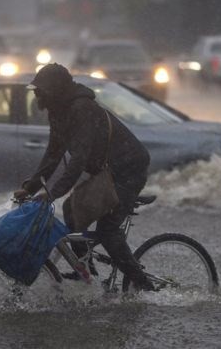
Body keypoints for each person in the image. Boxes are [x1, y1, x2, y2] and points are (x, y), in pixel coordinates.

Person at [13, 63, 154, 291]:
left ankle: (145, 286)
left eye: (41, 90)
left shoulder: (82, 109)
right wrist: (30, 188)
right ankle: (85, 271)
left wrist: (51, 193)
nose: (37, 95)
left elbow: (78, 159)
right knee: (71, 210)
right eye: (35, 90)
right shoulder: (57, 111)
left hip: (130, 169)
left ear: (56, 90)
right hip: (108, 171)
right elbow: (53, 154)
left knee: (108, 232)